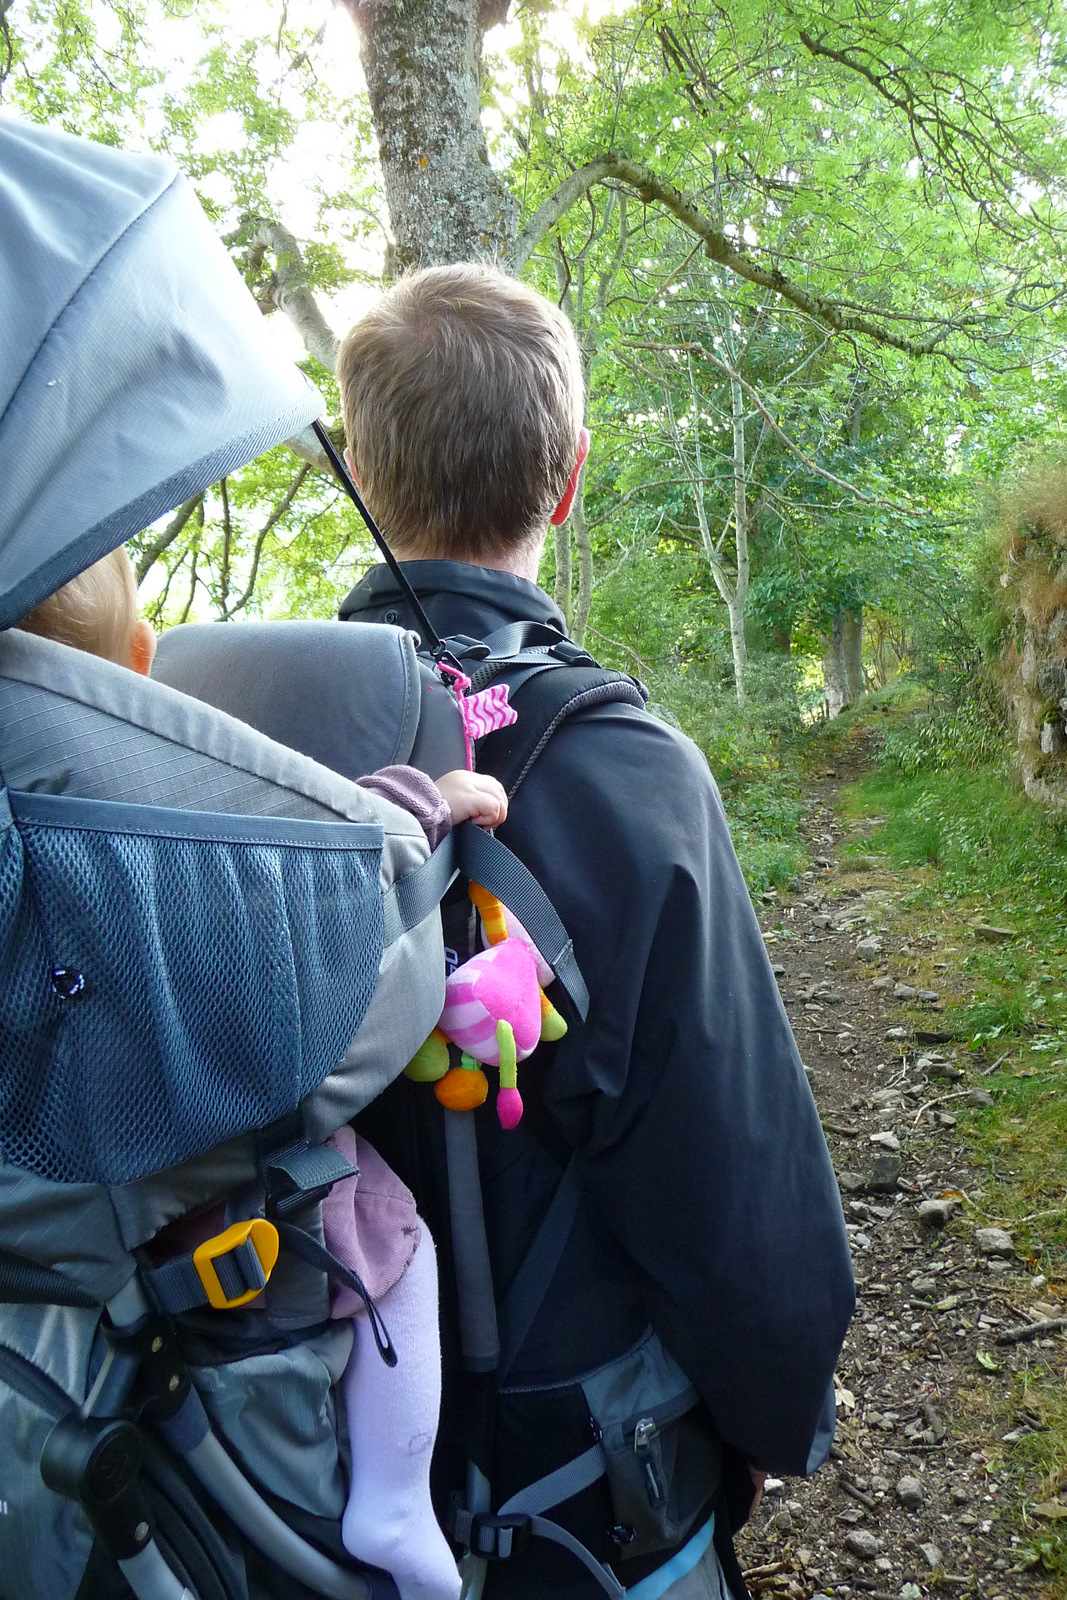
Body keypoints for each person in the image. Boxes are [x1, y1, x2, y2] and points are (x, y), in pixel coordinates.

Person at [335, 263, 856, 1600]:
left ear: (358, 468)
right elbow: (731, 1179)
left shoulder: (230, 740)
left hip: (257, 1477)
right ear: (567, 479)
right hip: (563, 1493)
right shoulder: (623, 770)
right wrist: (766, 1416)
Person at [14, 544, 509, 1600]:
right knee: (392, 1230)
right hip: (182, 1169)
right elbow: (315, 884)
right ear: (140, 664)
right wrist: (420, 801)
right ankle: (395, 1496)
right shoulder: (132, 808)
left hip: (51, 1211)